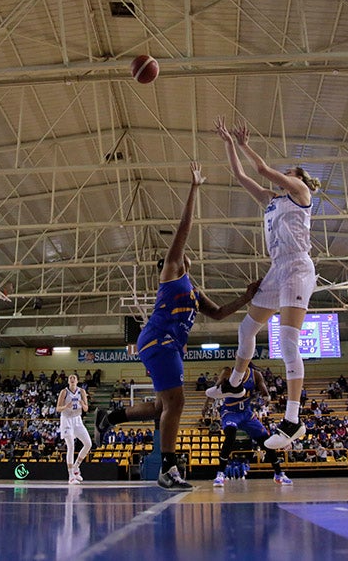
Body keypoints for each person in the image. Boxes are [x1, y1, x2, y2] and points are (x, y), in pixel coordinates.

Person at [95, 163, 260, 490]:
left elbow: (218, 313)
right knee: (177, 403)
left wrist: (245, 298)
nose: (185, 253)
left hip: (162, 344)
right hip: (159, 340)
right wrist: (194, 189)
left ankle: (111, 417)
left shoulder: (194, 292)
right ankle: (167, 469)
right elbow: (184, 227)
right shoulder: (172, 272)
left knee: (162, 406)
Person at [207, 120, 321, 450]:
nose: (285, 176)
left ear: (298, 178)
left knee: (287, 340)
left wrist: (244, 143)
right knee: (246, 330)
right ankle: (233, 383)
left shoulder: (301, 193)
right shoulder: (273, 200)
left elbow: (260, 168)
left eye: (290, 173)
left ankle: (292, 420)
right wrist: (229, 143)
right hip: (277, 269)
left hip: (298, 266)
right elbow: (243, 176)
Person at [211, 364, 293, 487]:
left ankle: (278, 473)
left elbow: (264, 390)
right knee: (230, 435)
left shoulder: (255, 374)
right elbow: (215, 389)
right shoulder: (228, 372)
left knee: (266, 441)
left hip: (246, 413)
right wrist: (219, 388)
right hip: (230, 412)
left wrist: (266, 396)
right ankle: (220, 473)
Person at [56, 373, 91, 484]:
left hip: (77, 419)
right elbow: (58, 408)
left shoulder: (82, 392)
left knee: (88, 444)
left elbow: (86, 409)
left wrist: (82, 403)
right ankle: (71, 476)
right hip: (66, 419)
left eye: (74, 378)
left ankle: (76, 467)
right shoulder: (64, 392)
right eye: (70, 378)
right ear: (68, 381)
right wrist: (66, 406)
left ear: (77, 380)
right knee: (71, 446)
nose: (72, 379)